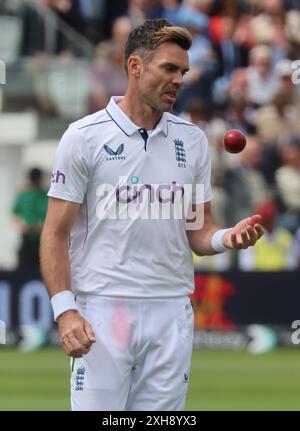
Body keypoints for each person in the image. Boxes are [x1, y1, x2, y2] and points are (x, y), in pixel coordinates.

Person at [40, 19, 264, 411]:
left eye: (183, 72)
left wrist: (226, 237)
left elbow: (198, 229)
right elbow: (54, 234)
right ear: (135, 67)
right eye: (169, 69)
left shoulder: (191, 140)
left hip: (170, 310)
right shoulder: (83, 136)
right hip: (104, 309)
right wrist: (65, 311)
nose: (179, 80)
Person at [12, 167, 48, 272]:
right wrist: (21, 225)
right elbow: (14, 214)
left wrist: (42, 226)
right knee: (23, 270)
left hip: (42, 240)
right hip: (27, 240)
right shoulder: (24, 195)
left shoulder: (46, 195)